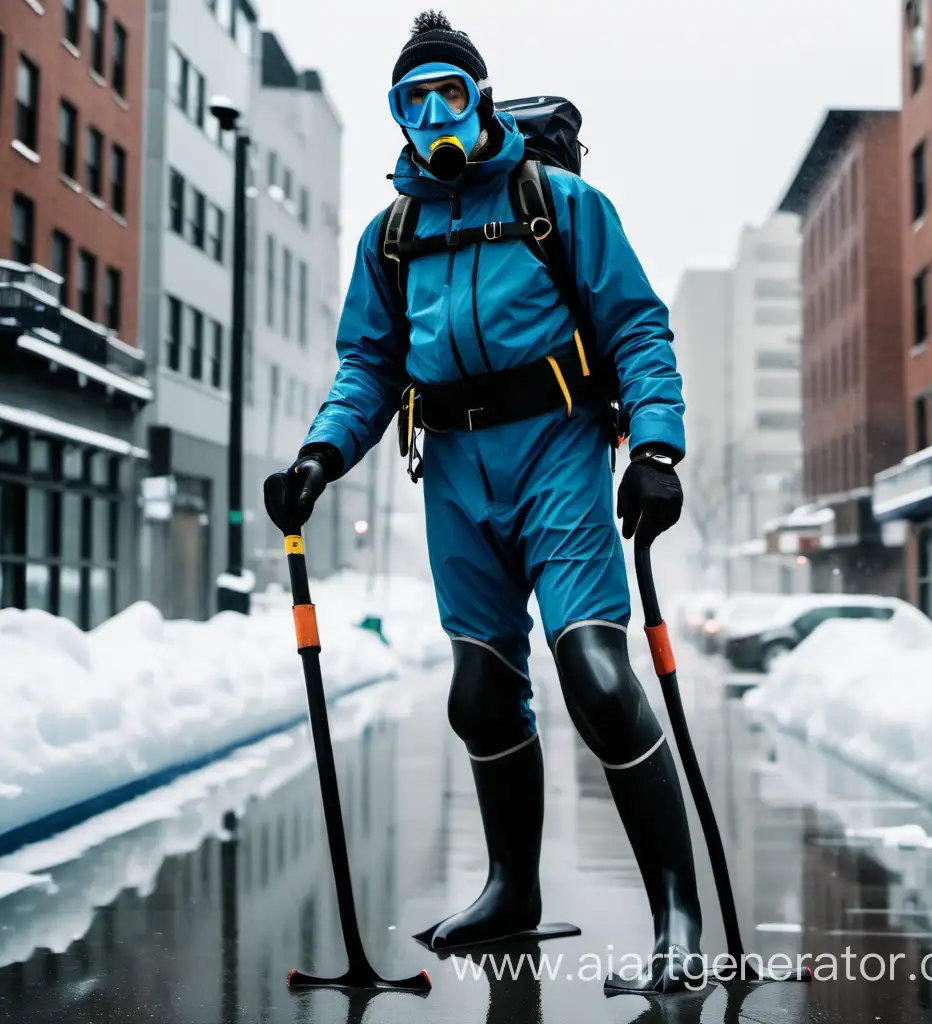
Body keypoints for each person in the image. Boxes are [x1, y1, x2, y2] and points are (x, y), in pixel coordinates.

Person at [264, 9, 703, 992]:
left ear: (480, 99)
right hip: (454, 473)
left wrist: (657, 446)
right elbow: (367, 366)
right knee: (477, 692)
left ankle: (677, 907)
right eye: (412, 101)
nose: (431, 114)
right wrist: (319, 458)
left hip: (556, 451)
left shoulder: (560, 202)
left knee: (594, 674)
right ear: (399, 117)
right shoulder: (393, 236)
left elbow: (636, 325)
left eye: (447, 94)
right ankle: (513, 887)